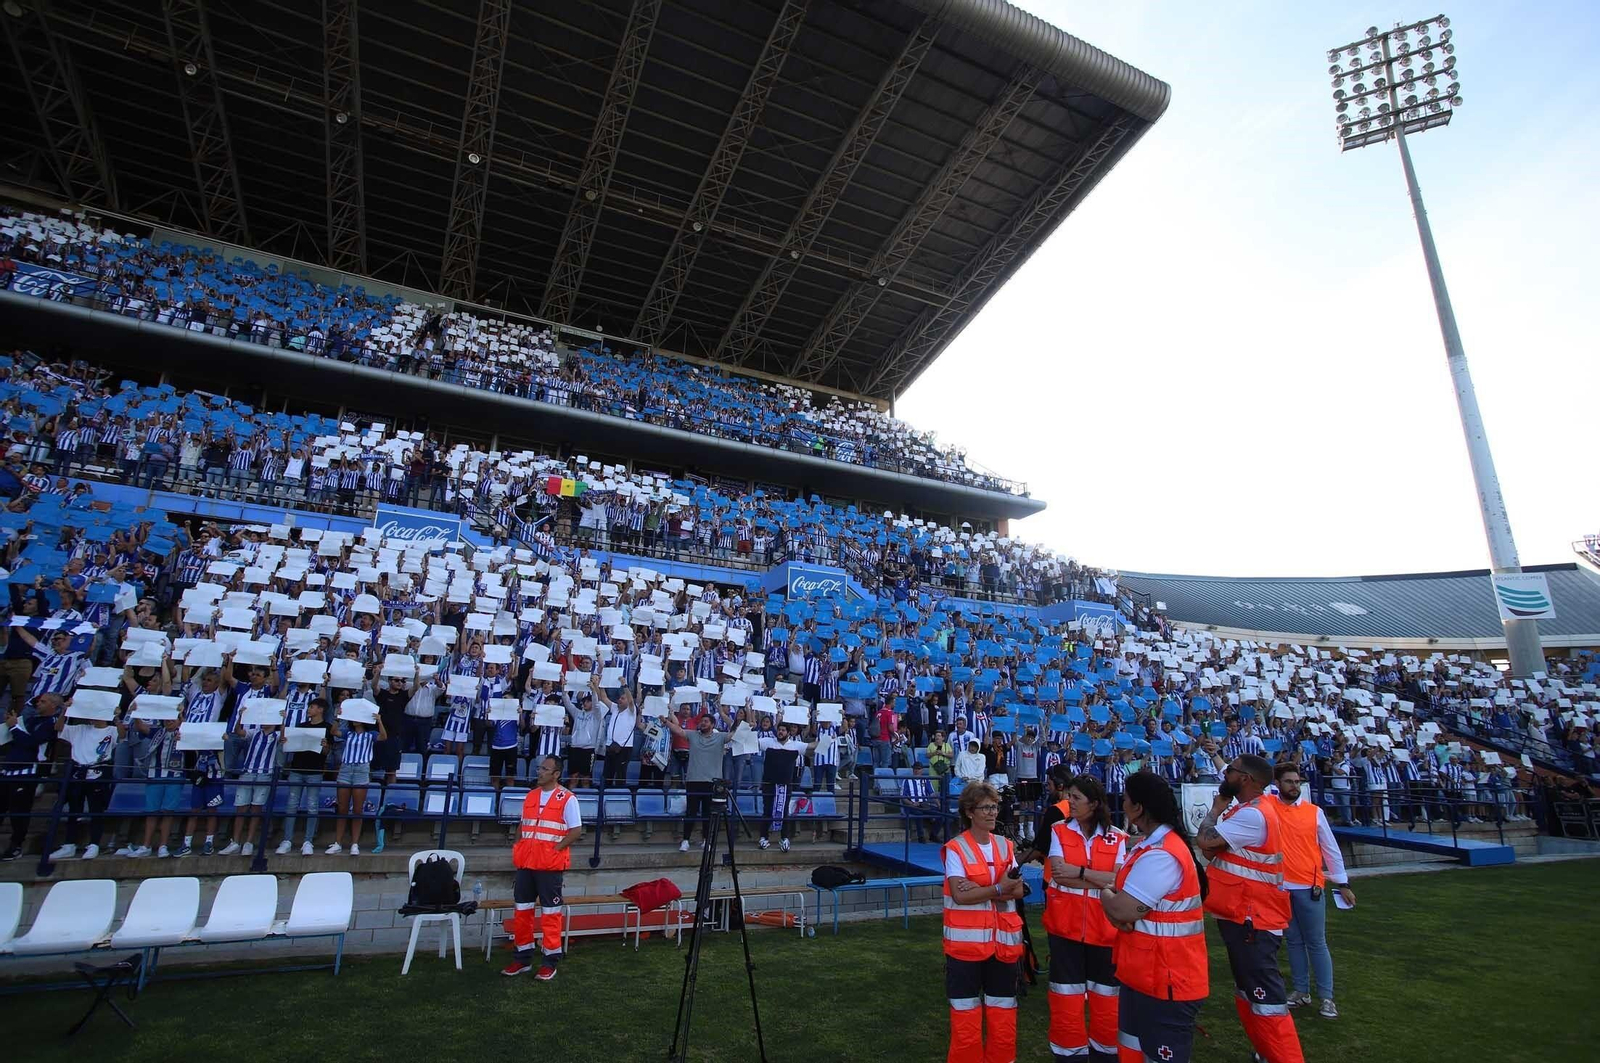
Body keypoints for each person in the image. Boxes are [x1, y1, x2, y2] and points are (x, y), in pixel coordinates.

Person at [1196, 755, 1304, 1063]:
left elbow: (1204, 839)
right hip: (1244, 916)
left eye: (1230, 770)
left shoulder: (1254, 815)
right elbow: (1212, 846)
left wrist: (1215, 811)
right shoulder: (1252, 809)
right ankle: (1266, 1053)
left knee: (1266, 1001)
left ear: (1245, 779)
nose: (1225, 773)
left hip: (1252, 918)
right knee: (1248, 994)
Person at [1097, 770, 1209, 1063]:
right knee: (1132, 1051)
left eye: (1126, 798)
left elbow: (1122, 908)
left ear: (1139, 807)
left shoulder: (1162, 854)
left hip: (1167, 979)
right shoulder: (1151, 846)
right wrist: (1116, 904)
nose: (1122, 802)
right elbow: (1123, 908)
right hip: (1145, 973)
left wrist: (1104, 896)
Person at [1043, 774, 1127, 1061]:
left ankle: (1106, 1053)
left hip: (1106, 932)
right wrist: (1101, 879)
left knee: (1107, 1000)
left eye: (1076, 798)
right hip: (1065, 930)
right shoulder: (1059, 830)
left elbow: (1119, 882)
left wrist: (1079, 873)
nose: (1070, 802)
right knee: (1066, 999)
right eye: (1069, 795)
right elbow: (1058, 874)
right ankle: (1069, 1054)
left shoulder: (1118, 837)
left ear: (1093, 803)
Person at [942, 780, 1026, 1063]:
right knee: (965, 1019)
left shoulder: (1005, 845)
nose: (992, 813)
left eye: (995, 807)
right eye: (986, 808)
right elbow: (959, 895)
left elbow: (1019, 888)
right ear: (969, 811)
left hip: (1003, 946)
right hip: (965, 949)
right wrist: (999, 888)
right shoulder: (956, 848)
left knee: (1004, 1017)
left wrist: (981, 889)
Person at [1271, 762, 1355, 1019]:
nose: (1294, 786)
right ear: (1277, 784)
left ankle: (1327, 997)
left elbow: (1330, 848)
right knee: (1294, 941)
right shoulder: (1268, 807)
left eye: (1297, 782)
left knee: (1317, 942)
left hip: (1310, 886)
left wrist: (1343, 883)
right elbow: (1243, 782)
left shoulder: (1314, 812)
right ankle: (1301, 991)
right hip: (1282, 887)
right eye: (1289, 782)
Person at [504, 755, 582, 981]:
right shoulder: (531, 795)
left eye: (545, 769)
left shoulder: (567, 798)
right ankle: (522, 958)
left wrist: (555, 850)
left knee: (550, 913)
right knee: (522, 911)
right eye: (540, 768)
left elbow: (575, 830)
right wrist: (518, 845)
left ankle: (550, 961)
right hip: (526, 863)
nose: (540, 772)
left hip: (549, 866)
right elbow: (523, 824)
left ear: (556, 774)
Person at [663, 699, 731, 852]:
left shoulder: (720, 737)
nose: (703, 723)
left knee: (708, 813)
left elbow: (734, 731)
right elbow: (679, 730)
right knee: (691, 812)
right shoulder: (693, 735)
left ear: (712, 725)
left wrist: (722, 713)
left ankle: (706, 840)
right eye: (702, 721)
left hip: (711, 782)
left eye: (706, 721)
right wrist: (666, 721)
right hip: (693, 780)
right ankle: (685, 840)